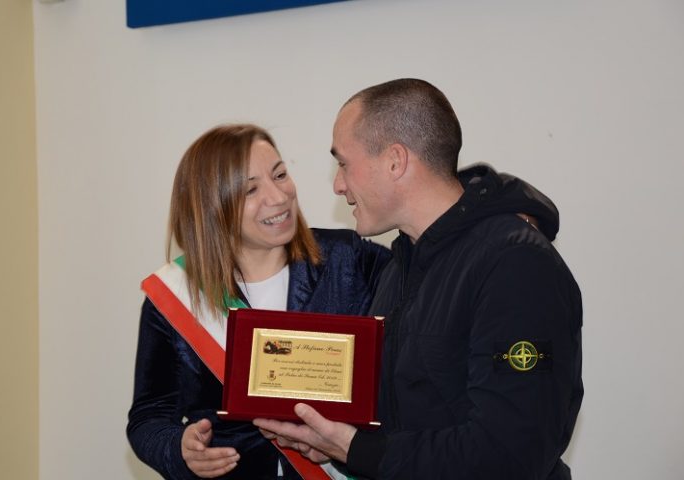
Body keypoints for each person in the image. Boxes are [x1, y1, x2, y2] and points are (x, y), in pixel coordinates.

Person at [254, 79, 584, 479]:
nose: (338, 185)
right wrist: (335, 443)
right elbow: (412, 419)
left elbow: (510, 453)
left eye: (343, 163)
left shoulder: (516, 265)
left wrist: (356, 448)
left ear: (395, 161)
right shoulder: (401, 266)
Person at [126, 124, 392, 479]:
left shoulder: (353, 261)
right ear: (212, 207)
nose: (279, 196)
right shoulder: (176, 296)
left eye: (280, 174)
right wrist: (180, 448)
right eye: (251, 189)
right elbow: (148, 417)